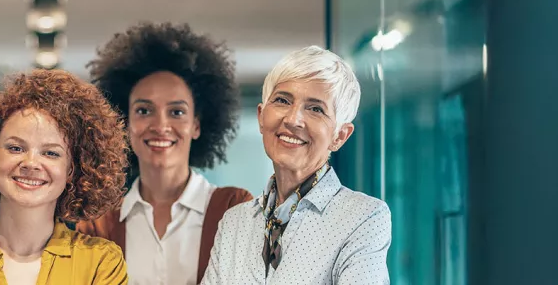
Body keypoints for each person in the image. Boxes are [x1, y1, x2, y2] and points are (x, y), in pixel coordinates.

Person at [75, 22, 253, 285]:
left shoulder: (234, 209)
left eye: (177, 112)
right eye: (144, 111)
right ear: (124, 123)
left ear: (197, 125)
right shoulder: (98, 224)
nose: (160, 126)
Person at [0, 69, 130, 285]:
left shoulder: (102, 263)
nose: (31, 163)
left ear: (72, 170)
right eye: (15, 148)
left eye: (51, 153)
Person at [202, 46, 391, 284]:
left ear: (340, 136)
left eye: (315, 109)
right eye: (282, 100)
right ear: (261, 117)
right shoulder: (234, 222)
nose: (293, 119)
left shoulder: (363, 218)